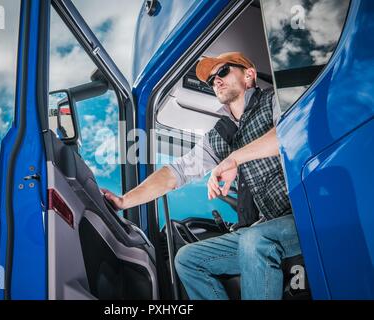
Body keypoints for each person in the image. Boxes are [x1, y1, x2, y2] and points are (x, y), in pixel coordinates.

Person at [101, 52, 301, 300]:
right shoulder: (221, 134)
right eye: (211, 79)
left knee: (253, 239)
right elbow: (175, 173)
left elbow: (288, 134)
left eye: (223, 71)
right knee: (188, 259)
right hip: (262, 229)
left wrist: (234, 158)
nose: (216, 80)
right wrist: (123, 201)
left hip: (302, 218)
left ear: (249, 75)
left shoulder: (275, 100)